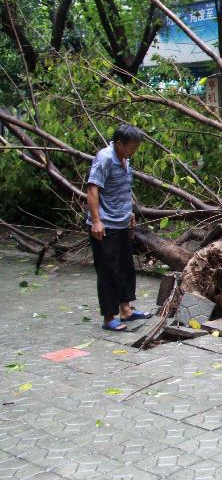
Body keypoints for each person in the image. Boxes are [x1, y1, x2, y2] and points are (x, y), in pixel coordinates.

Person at [86, 124, 154, 331]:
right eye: (131, 147)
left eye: (135, 147)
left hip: (122, 223)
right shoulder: (105, 158)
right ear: (118, 143)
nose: (133, 151)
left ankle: (126, 310)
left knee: (125, 267)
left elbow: (123, 189)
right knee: (108, 271)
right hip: (106, 226)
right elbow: (92, 189)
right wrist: (97, 221)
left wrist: (129, 213)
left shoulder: (124, 159)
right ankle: (109, 317)